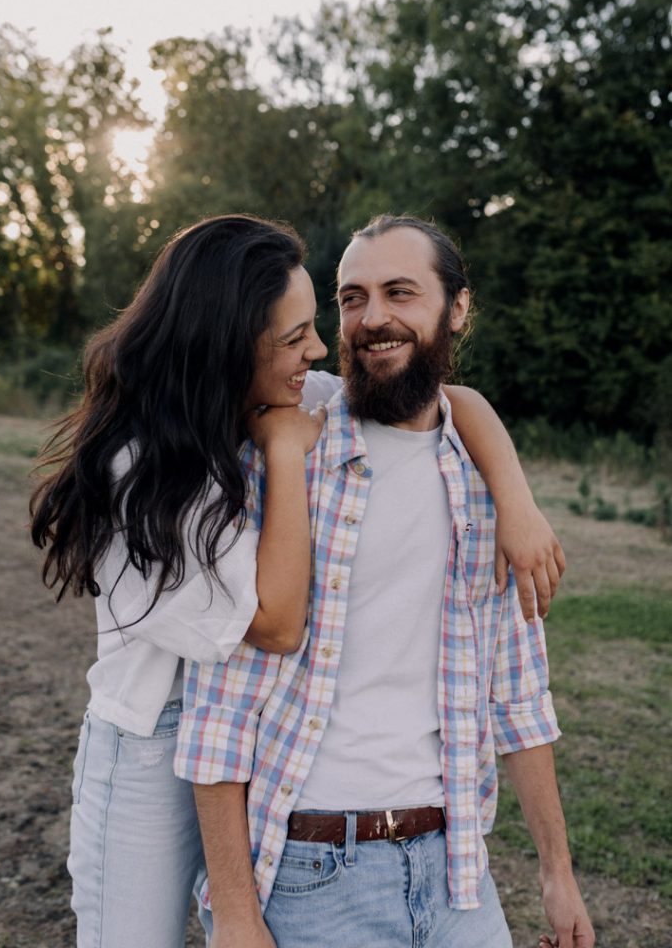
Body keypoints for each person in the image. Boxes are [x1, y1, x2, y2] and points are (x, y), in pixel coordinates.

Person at [31, 212, 563, 948]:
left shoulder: (284, 398)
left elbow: (451, 401)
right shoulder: (142, 472)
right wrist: (282, 456)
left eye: (315, 325)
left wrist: (514, 495)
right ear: (226, 342)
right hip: (155, 738)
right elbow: (277, 627)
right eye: (293, 337)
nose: (317, 350)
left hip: (263, 741)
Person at [175, 216, 594, 948]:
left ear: (456, 308)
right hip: (313, 876)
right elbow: (219, 707)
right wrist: (237, 914)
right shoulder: (285, 452)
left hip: (457, 869)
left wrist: (556, 872)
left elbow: (518, 693)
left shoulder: (480, 479)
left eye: (400, 292)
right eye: (352, 297)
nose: (373, 318)